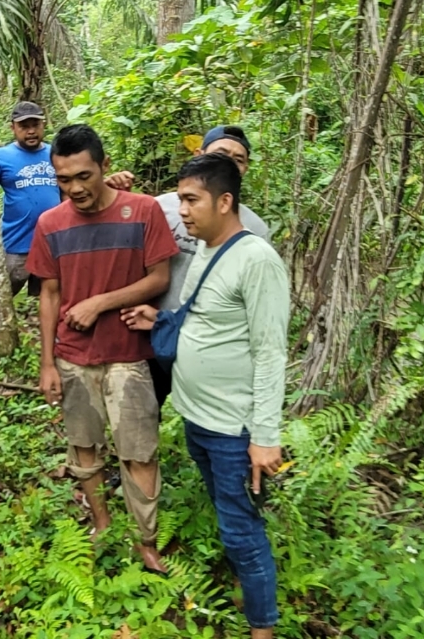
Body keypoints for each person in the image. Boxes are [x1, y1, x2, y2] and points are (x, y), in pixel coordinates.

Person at [121, 153, 289, 637]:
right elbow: (201, 316)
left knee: (243, 529)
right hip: (199, 419)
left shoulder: (257, 260)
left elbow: (270, 351)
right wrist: (159, 320)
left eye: (191, 200)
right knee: (228, 511)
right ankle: (242, 580)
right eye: (179, 200)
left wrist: (264, 436)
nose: (183, 211)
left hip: (234, 430)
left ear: (225, 201)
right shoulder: (207, 250)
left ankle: (262, 627)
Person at [26, 124, 179, 572]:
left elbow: (159, 278)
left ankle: (146, 539)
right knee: (84, 448)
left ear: (105, 167)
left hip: (130, 356)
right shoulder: (50, 224)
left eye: (84, 176)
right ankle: (103, 521)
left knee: (139, 450)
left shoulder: (144, 211)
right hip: (73, 358)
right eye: (63, 179)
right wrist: (47, 363)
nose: (74, 188)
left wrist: (100, 303)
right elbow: (49, 294)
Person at [108, 125, 270, 407]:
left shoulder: (255, 229)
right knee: (145, 412)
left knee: (206, 421)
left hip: (210, 346)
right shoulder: (162, 208)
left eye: (239, 158)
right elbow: (119, 253)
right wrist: (108, 196)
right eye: (221, 153)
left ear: (245, 169)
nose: (230, 161)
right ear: (200, 155)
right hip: (152, 331)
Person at [0, 101, 61, 297]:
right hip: (17, 244)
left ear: (43, 124)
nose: (30, 131)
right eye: (24, 126)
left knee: (52, 297)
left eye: (35, 125)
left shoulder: (55, 153)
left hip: (52, 244)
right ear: (13, 127)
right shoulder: (1, 157)